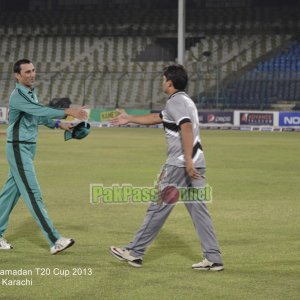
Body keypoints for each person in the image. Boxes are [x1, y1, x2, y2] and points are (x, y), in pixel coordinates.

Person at [110, 64, 223, 271]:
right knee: (199, 211)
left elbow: (186, 126)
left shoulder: (176, 102)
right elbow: (156, 118)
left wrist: (187, 160)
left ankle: (134, 251)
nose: (162, 82)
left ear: (169, 83)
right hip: (197, 163)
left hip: (180, 165)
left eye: (163, 80)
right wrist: (130, 118)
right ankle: (213, 258)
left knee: (159, 207)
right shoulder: (185, 100)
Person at [0, 59, 88, 254]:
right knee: (32, 193)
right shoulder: (18, 96)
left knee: (10, 194)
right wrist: (68, 111)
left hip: (26, 148)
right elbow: (40, 110)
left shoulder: (30, 93)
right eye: (27, 72)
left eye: (33, 70)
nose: (32, 74)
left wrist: (59, 124)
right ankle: (54, 240)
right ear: (17, 76)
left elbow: (37, 116)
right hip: (18, 147)